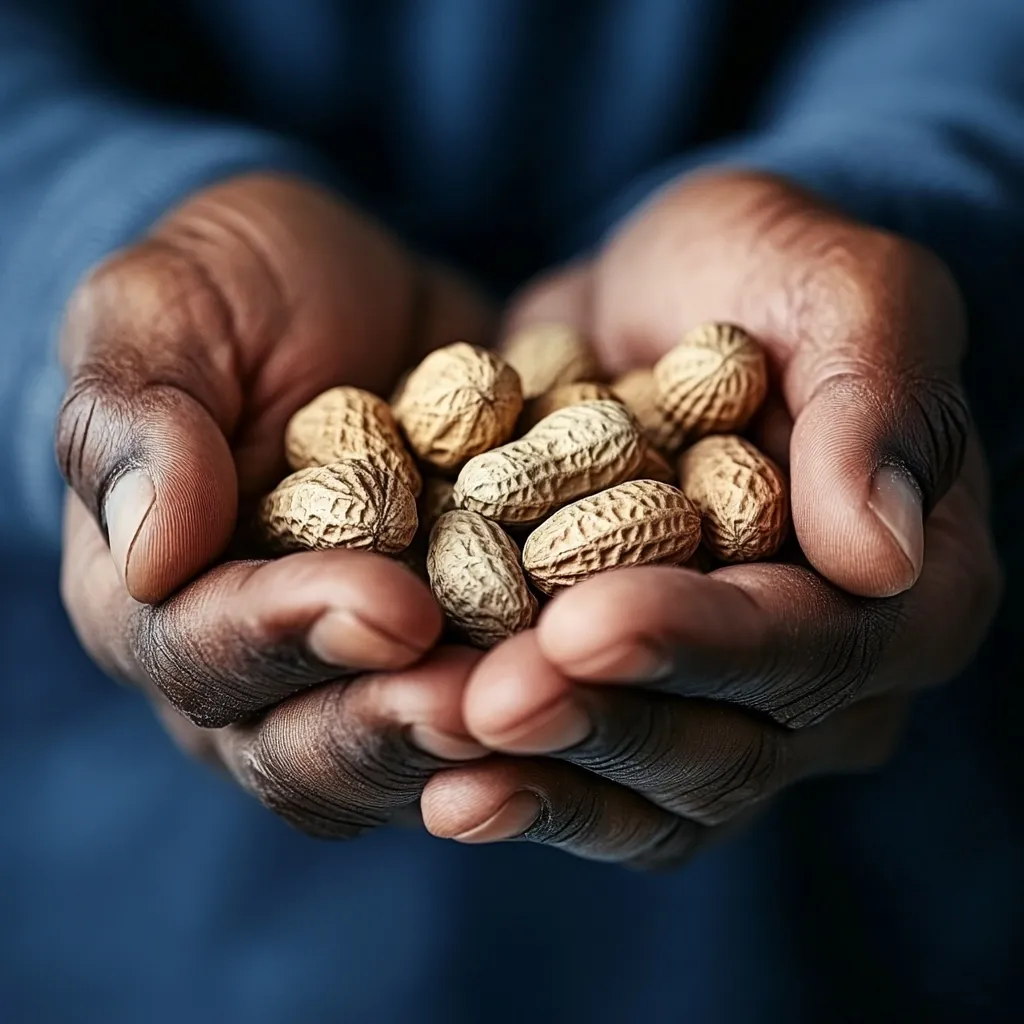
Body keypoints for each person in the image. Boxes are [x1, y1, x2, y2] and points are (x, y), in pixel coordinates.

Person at [2, 0, 1022, 1020]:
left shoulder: (582, 443)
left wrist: (888, 187)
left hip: (859, 906)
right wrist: (81, 232)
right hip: (148, 896)